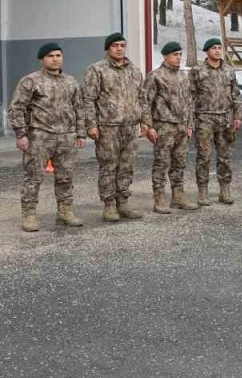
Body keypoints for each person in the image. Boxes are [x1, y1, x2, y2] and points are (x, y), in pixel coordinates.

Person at [8, 42, 86, 231]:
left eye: (58, 55)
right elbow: (17, 108)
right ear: (41, 59)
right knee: (33, 177)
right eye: (50, 56)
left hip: (66, 137)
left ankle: (65, 211)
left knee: (66, 177)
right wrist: (21, 134)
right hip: (40, 136)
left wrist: (80, 133)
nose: (55, 59)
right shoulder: (31, 81)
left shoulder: (70, 81)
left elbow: (79, 108)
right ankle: (29, 215)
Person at [81, 32, 144, 222]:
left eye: (122, 45)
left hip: (130, 126)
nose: (119, 49)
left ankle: (123, 202)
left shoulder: (134, 71)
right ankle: (109, 205)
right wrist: (91, 124)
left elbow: (142, 98)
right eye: (115, 45)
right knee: (109, 165)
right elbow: (88, 99)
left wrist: (145, 121)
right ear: (108, 48)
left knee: (127, 166)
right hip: (107, 127)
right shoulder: (96, 70)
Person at [142, 42, 198, 214]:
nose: (178, 57)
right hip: (164, 125)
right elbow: (145, 103)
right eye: (175, 54)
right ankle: (159, 198)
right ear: (165, 56)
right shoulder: (155, 76)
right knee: (162, 163)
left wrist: (190, 124)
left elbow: (189, 102)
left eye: (180, 54)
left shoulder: (183, 76)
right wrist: (148, 126)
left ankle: (178, 196)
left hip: (181, 126)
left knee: (179, 163)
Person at [187, 37, 242, 206]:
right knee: (203, 157)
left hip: (225, 119)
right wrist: (190, 121)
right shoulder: (197, 71)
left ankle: (224, 190)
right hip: (204, 119)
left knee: (225, 157)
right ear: (207, 51)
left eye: (219, 47)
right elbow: (189, 97)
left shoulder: (229, 71)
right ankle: (203, 191)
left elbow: (235, 95)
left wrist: (237, 116)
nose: (217, 51)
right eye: (213, 48)